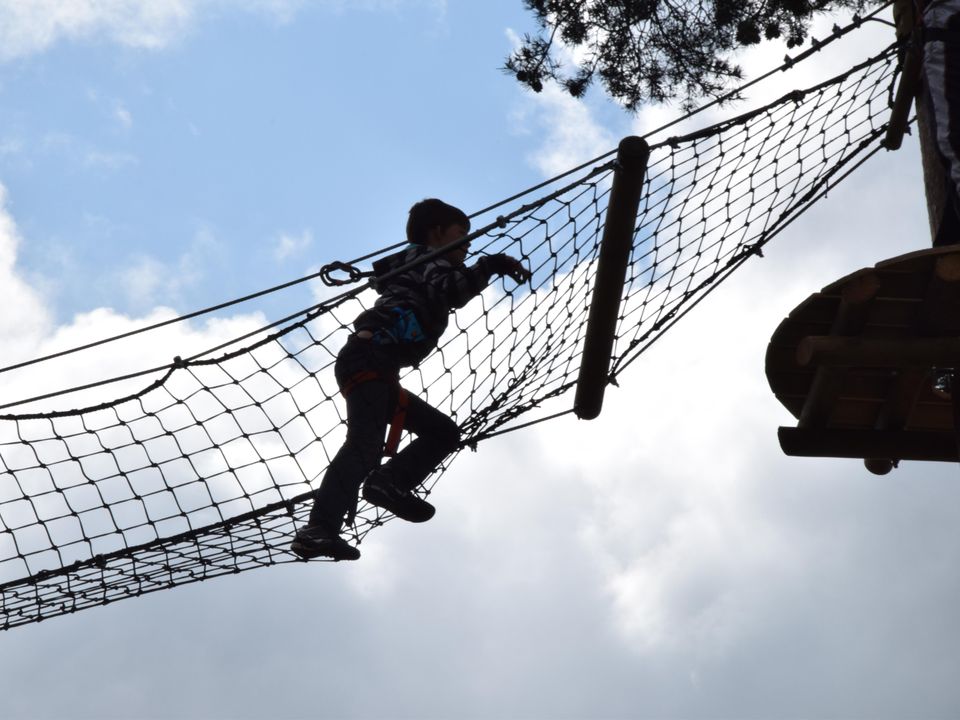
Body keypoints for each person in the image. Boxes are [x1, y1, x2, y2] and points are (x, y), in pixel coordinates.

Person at [291, 199, 530, 561]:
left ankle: (388, 482)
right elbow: (452, 291)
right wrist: (491, 264)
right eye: (460, 234)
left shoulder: (418, 263)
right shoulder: (425, 260)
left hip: (379, 367)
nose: (467, 244)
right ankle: (319, 529)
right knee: (363, 446)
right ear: (436, 233)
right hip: (369, 358)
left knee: (443, 433)